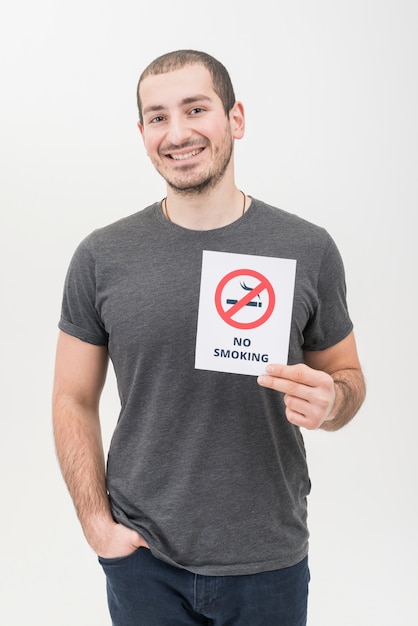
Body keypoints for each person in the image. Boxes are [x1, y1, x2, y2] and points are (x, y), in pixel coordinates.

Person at [52, 49, 366, 626]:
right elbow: (73, 396)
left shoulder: (308, 248)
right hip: (144, 558)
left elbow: (348, 380)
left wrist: (332, 401)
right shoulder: (101, 256)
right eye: (157, 117)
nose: (177, 133)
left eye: (195, 109)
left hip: (269, 559)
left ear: (236, 119)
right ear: (142, 132)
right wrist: (96, 524)